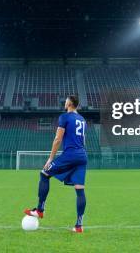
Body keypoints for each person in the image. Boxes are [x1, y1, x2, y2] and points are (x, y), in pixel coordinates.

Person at [24, 95, 88, 233]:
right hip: (82, 155)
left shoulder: (65, 117)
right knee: (80, 190)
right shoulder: (82, 120)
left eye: (66, 101)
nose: (64, 103)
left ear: (70, 103)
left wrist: (50, 158)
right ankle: (79, 226)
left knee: (44, 174)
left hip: (70, 155)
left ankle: (40, 210)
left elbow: (58, 139)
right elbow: (83, 140)